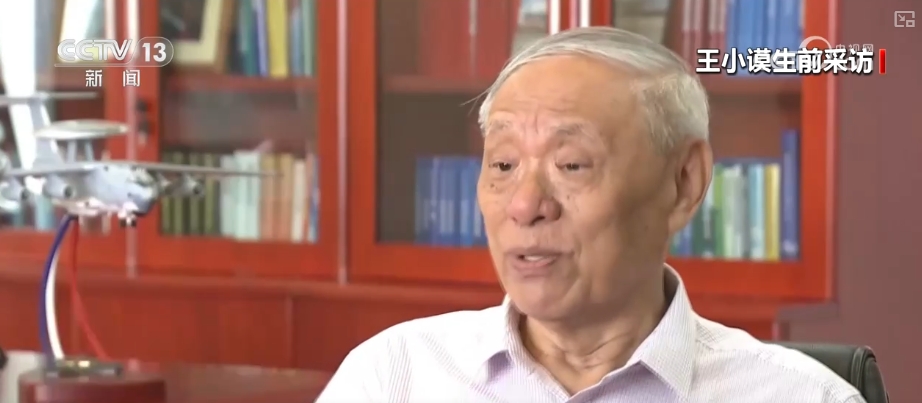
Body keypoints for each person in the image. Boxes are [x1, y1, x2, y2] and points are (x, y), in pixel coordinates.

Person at [316, 27, 866, 402]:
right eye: (503, 164)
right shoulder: (395, 375)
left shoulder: (802, 397)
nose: (525, 206)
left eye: (572, 164)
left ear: (683, 184)